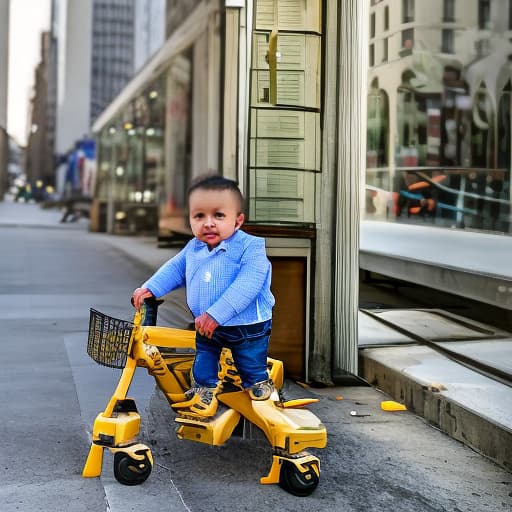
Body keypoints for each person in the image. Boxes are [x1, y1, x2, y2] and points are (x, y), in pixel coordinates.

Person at [132, 175, 275, 417]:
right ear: (190, 219)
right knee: (205, 359)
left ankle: (259, 382)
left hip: (246, 326)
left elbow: (247, 285)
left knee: (249, 361)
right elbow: (175, 269)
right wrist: (151, 288)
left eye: (218, 216)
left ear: (238, 221)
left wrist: (216, 314)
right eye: (199, 216)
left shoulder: (251, 248)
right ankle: (206, 388)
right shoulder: (194, 247)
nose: (208, 223)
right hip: (206, 325)